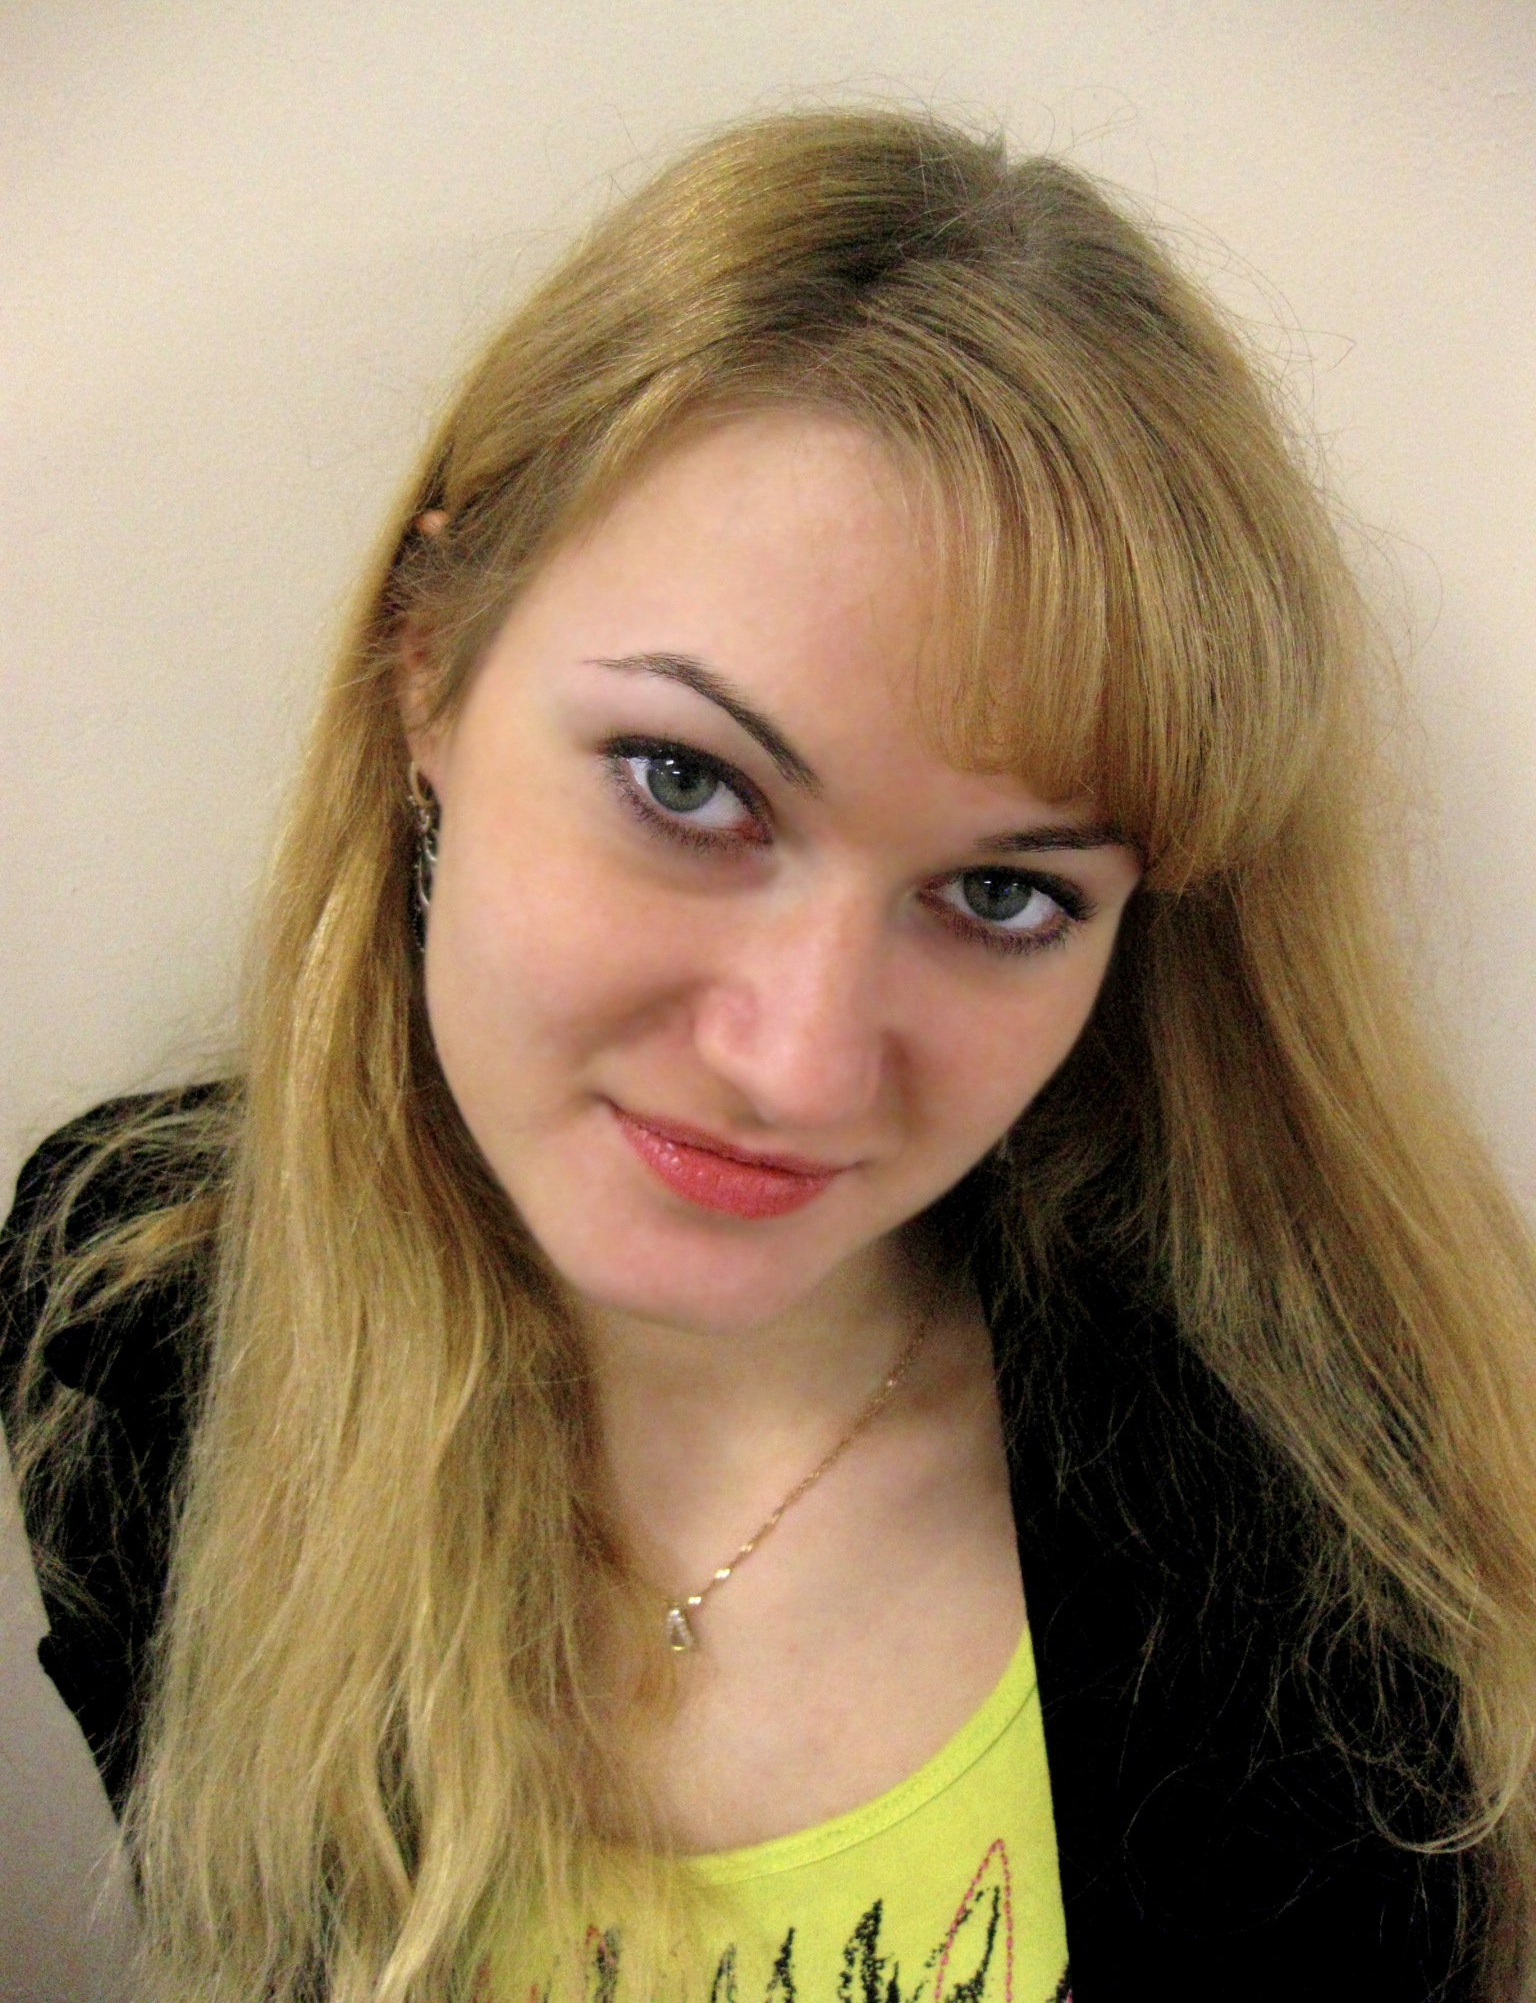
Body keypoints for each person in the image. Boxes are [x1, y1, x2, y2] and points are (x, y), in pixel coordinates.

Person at [3, 106, 1535, 2003]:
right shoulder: (137, 1317)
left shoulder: (1333, 1567)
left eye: (1002, 894)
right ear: (427, 666)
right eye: (687, 783)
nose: (800, 1068)